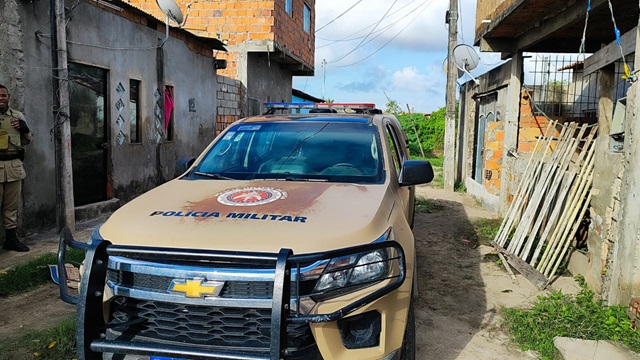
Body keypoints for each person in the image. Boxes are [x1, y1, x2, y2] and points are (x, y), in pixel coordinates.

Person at [0, 84, 32, 252]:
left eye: (3, 95)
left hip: (14, 166)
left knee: (11, 206)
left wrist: (25, 129)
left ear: (9, 97)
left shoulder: (17, 116)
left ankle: (11, 240)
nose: (1, 99)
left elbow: (27, 141)